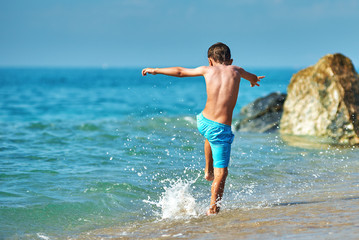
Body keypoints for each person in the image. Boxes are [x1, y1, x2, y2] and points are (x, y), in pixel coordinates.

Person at [142, 42, 264, 215]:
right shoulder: (237, 70)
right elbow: (252, 77)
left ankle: (208, 170)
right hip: (220, 129)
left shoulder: (206, 70)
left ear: (210, 61)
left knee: (209, 137)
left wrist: (155, 69)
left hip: (203, 121)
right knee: (222, 173)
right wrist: (254, 81)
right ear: (230, 60)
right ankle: (213, 207)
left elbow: (180, 71)